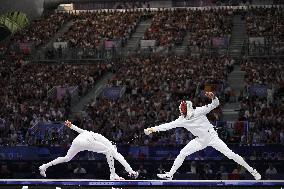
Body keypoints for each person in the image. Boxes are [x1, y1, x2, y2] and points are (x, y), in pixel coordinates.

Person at [144, 92, 261, 180]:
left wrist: (213, 96)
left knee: (230, 154)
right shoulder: (181, 119)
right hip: (200, 140)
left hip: (212, 137)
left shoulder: (199, 110)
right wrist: (152, 129)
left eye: (183, 111)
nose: (182, 113)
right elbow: (167, 125)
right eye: (182, 111)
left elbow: (215, 104)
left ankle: (252, 171)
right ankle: (170, 175)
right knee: (183, 153)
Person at [39, 120, 138, 180]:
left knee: (67, 158)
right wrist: (131, 171)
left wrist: (70, 125)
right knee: (109, 152)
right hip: (86, 141)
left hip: (76, 141)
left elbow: (77, 129)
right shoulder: (108, 143)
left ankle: (44, 166)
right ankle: (112, 175)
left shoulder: (89, 132)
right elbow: (118, 156)